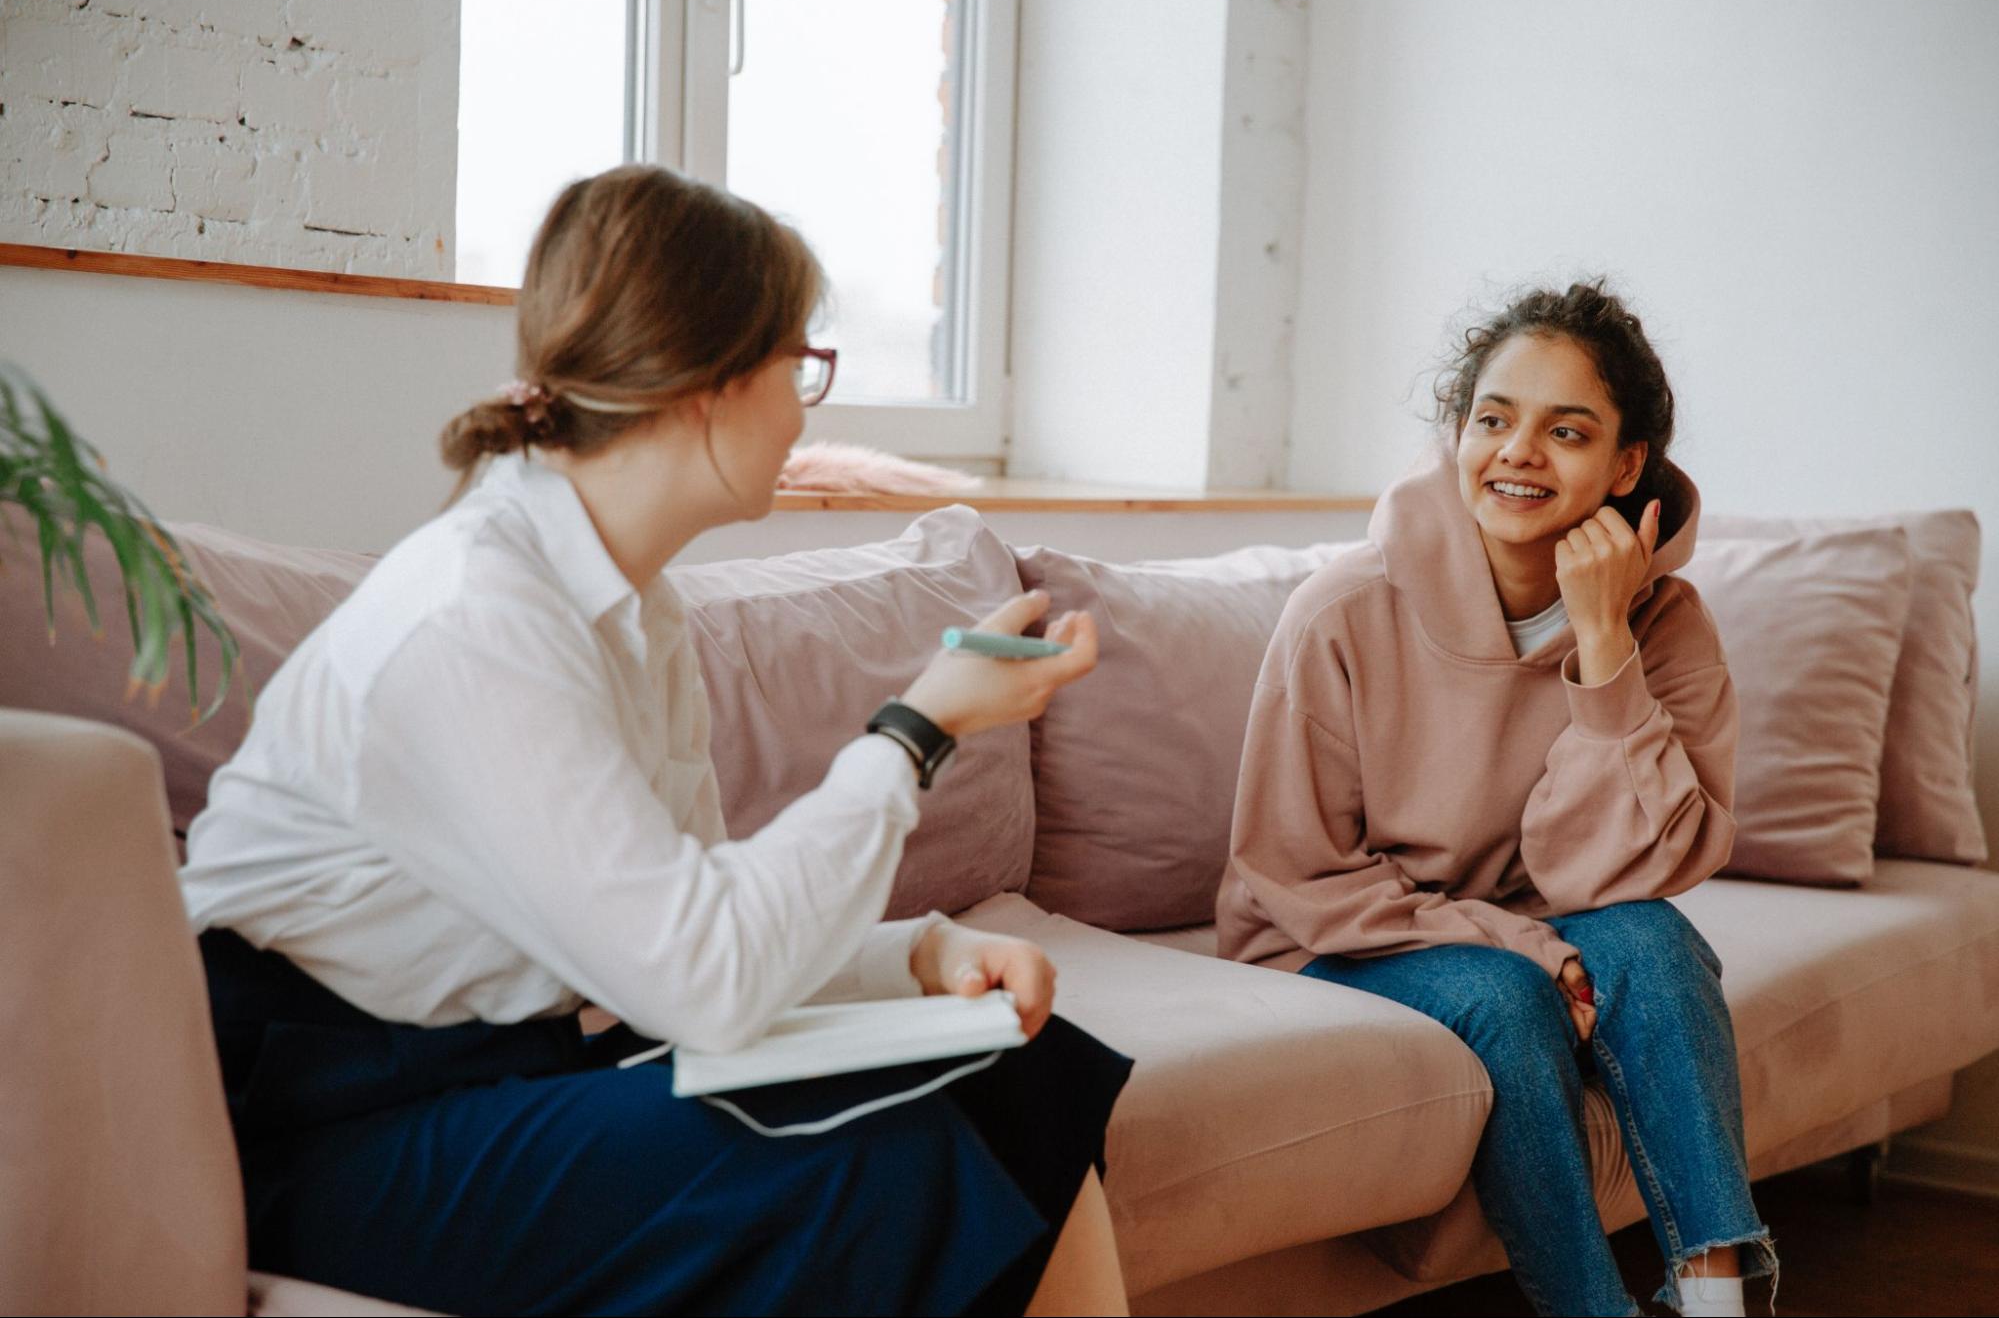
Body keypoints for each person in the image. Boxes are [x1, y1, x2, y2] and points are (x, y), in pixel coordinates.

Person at [178, 164, 1130, 1317]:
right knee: (864, 1160)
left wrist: (917, 957)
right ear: (707, 383)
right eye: (803, 365)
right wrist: (917, 728)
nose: (805, 405)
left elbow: (696, 917)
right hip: (313, 1130)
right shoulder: (477, 615)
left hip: (494, 1074)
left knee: (1024, 1069)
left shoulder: (637, 609)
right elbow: (705, 982)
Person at [1219, 282, 1773, 1316]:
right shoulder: (1340, 612)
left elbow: (1634, 873)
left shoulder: (1667, 625)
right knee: (1509, 998)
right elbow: (1293, 873)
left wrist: (1604, 648)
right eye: (1492, 418)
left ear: (1624, 466)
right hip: (1332, 939)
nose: (1517, 451)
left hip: (1527, 921)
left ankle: (1715, 1295)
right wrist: (1525, 946)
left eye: (1565, 431)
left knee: (1652, 940)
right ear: (1457, 434)